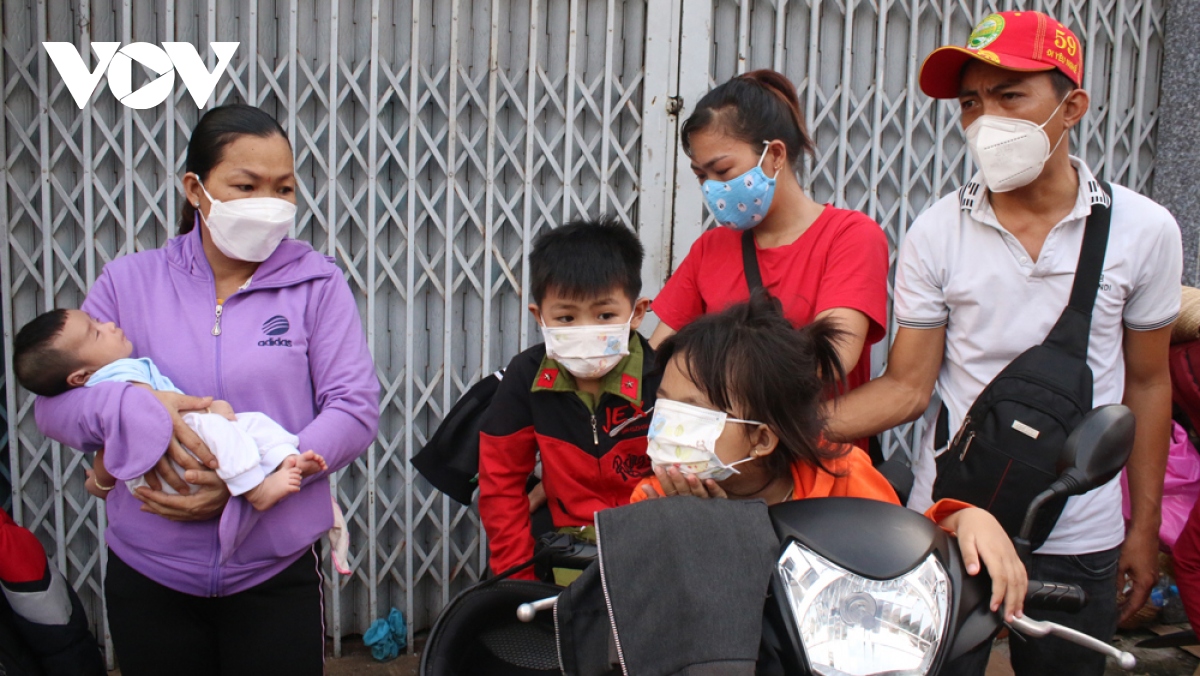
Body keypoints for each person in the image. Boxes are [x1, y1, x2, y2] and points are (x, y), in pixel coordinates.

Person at [824, 11, 1180, 675]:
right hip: (951, 517)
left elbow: (1149, 383)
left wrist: (1143, 528)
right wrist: (779, 426)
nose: (986, 118)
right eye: (970, 102)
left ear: (1072, 106)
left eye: (1010, 95)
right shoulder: (937, 232)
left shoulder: (1145, 230)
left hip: (1079, 529)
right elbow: (907, 387)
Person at [32, 104, 379, 675]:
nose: (269, 202)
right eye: (246, 185)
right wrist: (140, 404)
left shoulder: (317, 283)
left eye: (284, 188)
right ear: (196, 188)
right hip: (150, 570)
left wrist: (257, 482)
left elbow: (354, 408)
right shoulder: (127, 282)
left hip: (272, 567)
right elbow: (57, 406)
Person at [631, 291, 1028, 621]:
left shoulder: (844, 479)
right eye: (665, 404)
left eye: (693, 410)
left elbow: (899, 562)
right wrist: (691, 530)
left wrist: (965, 518)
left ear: (762, 439)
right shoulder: (657, 498)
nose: (668, 425)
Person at [649, 69, 888, 398]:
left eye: (722, 171)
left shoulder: (850, 236)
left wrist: (710, 362)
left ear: (775, 155)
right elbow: (659, 356)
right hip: (720, 449)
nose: (712, 189)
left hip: (814, 446)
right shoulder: (711, 248)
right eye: (702, 176)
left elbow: (832, 358)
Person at [479, 218, 658, 581]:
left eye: (605, 315)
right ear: (539, 317)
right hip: (565, 553)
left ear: (637, 313)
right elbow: (500, 483)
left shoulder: (666, 376)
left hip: (653, 553)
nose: (585, 331)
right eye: (566, 318)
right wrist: (518, 580)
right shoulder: (525, 375)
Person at [14, 309, 327, 511]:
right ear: (79, 377)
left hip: (185, 438)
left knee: (252, 423)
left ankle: (283, 458)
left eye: (96, 320)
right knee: (222, 431)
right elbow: (110, 445)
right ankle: (256, 490)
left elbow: (171, 403)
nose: (109, 324)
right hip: (165, 464)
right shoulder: (109, 381)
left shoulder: (119, 372)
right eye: (95, 332)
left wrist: (100, 484)